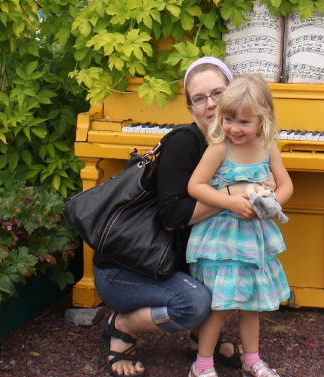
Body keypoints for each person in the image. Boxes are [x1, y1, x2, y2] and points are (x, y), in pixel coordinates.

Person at [95, 57, 253, 377]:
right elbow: (171, 217)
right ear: (190, 109)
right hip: (126, 270)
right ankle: (121, 326)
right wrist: (232, 195)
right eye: (199, 98)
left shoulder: (228, 140)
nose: (210, 104)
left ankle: (201, 339)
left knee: (234, 268)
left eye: (218, 93)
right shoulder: (186, 141)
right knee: (195, 305)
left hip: (160, 263)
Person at [186, 74, 293, 377]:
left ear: (263, 120)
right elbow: (195, 186)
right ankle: (202, 365)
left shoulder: (267, 147)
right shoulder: (220, 148)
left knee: (252, 303)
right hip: (222, 239)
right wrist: (230, 201)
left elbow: (286, 185)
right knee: (220, 307)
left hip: (253, 238)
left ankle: (251, 360)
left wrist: (271, 203)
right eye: (229, 119)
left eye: (244, 123)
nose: (234, 128)